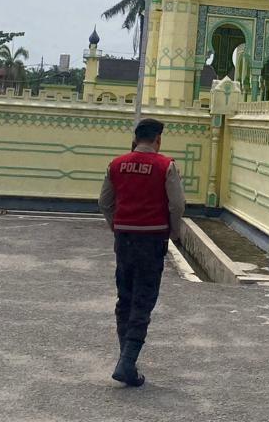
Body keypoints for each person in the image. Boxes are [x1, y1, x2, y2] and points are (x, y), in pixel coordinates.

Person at [99, 117, 185, 387]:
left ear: (136, 139)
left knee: (125, 298)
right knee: (143, 301)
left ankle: (127, 360)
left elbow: (104, 202)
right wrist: (171, 233)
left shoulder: (116, 164)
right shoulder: (165, 166)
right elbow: (177, 205)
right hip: (152, 239)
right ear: (157, 140)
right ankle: (127, 362)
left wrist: (117, 225)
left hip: (124, 238)